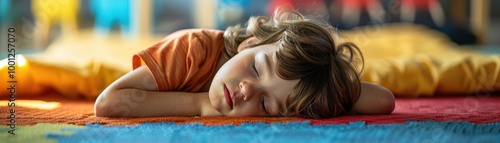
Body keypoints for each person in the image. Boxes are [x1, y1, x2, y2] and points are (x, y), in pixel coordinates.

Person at [94, 8, 395, 119]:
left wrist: (324, 83)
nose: (248, 91)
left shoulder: (289, 91)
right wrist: (200, 106)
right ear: (250, 43)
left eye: (266, 106)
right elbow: (107, 103)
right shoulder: (191, 51)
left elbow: (384, 100)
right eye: (255, 68)